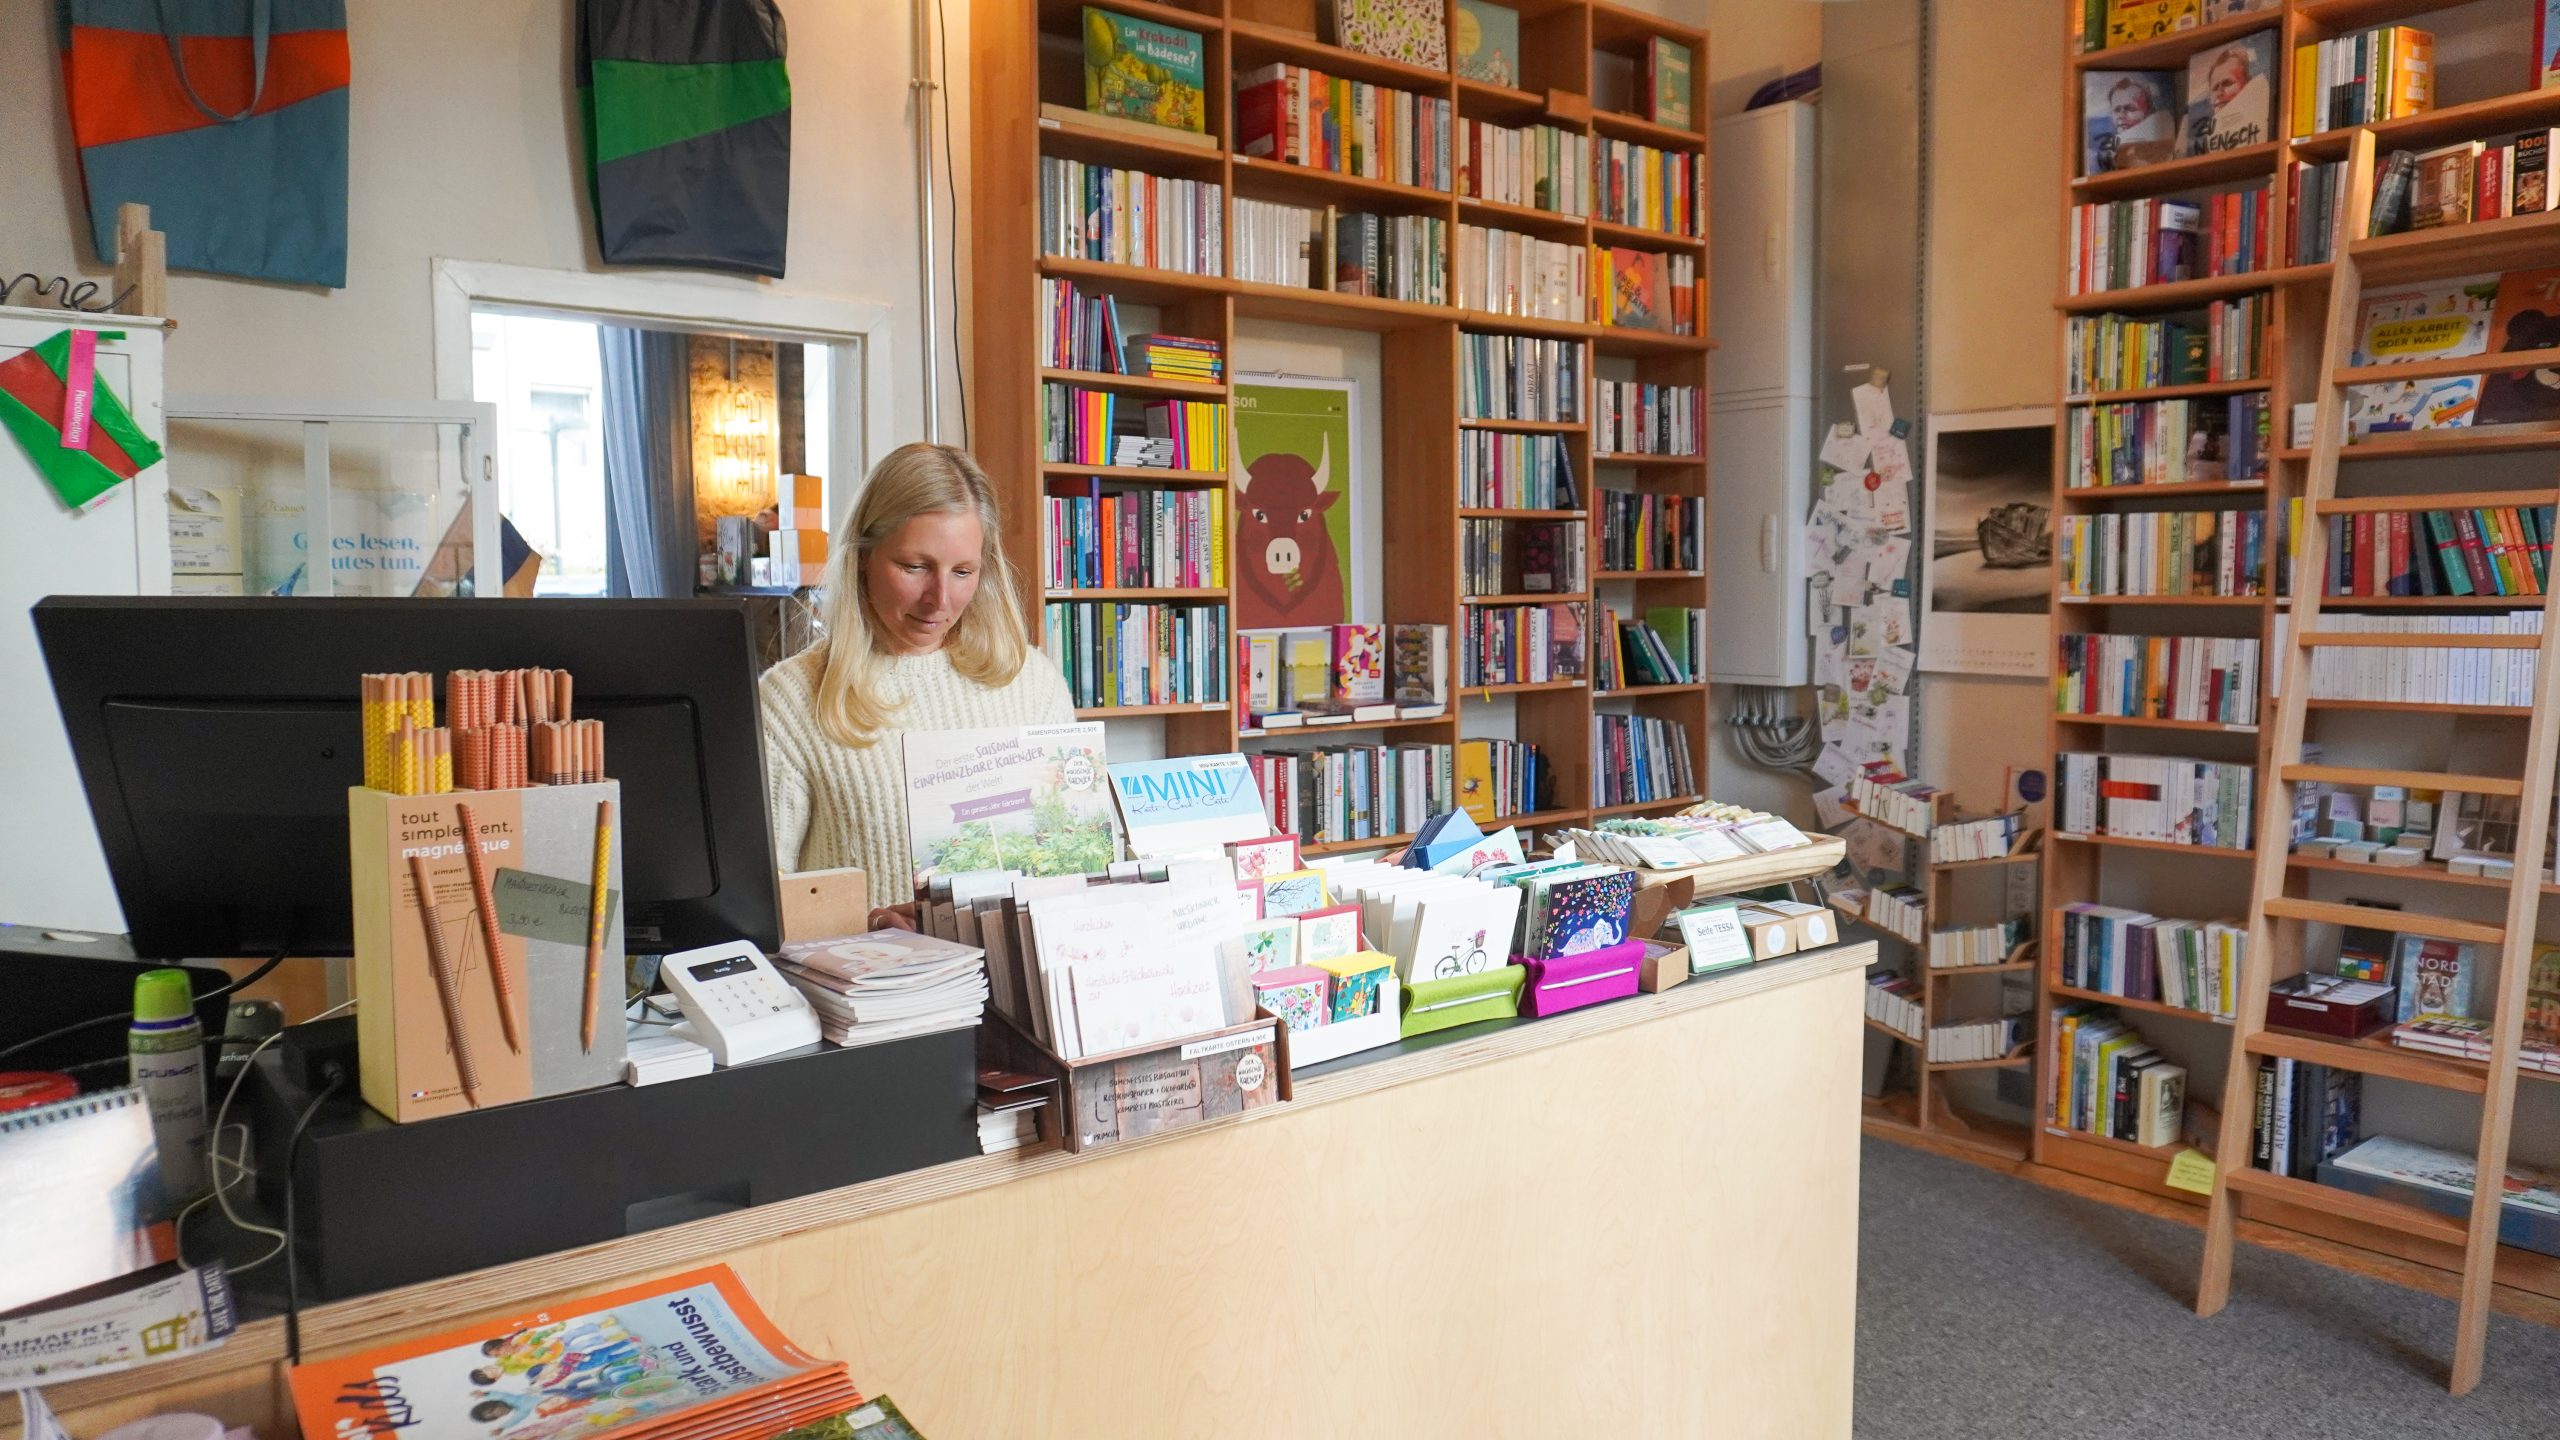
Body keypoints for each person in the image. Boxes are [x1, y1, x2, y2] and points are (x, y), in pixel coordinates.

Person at [759, 443, 1076, 918]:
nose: (940, 600)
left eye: (963, 571)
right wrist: (866, 931)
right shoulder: (792, 700)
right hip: (866, 988)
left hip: (1017, 982)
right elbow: (762, 907)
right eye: (914, 567)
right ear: (863, 557)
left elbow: (1074, 860)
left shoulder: (1031, 681)